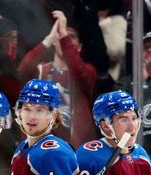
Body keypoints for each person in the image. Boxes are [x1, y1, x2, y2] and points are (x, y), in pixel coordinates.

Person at [17, 10, 97, 149]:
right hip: (41, 148)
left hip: (75, 151)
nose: (64, 39)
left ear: (78, 47)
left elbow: (78, 70)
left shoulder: (87, 72)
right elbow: (22, 71)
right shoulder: (41, 70)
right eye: (61, 35)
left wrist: (64, 37)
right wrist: (49, 39)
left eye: (71, 37)